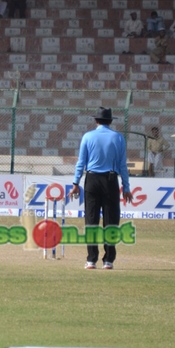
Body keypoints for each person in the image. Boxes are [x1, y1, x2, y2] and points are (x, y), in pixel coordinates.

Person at [69, 107, 133, 270]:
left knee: (91, 220)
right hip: (110, 180)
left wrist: (75, 183)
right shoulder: (118, 137)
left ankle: (91, 259)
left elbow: (81, 162)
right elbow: (122, 165)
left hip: (91, 179)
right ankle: (108, 260)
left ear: (96, 120)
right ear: (111, 121)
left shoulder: (88, 136)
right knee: (111, 221)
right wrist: (126, 186)